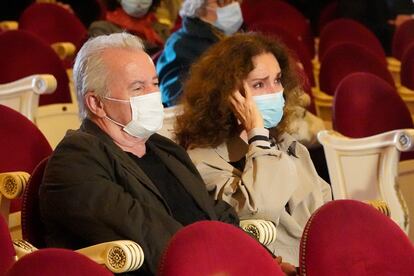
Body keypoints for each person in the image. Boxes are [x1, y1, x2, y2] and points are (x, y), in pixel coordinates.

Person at [39, 32, 240, 275]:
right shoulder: (76, 159)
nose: (152, 95)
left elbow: (212, 212)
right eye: (138, 87)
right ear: (96, 103)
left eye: (154, 84)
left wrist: (256, 259)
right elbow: (145, 233)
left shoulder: (165, 149)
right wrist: (220, 263)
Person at [174, 32, 332, 266]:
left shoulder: (286, 143)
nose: (274, 92)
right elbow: (261, 209)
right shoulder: (203, 160)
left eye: (277, 80)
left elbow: (324, 205)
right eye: (259, 84)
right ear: (230, 94)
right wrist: (256, 133)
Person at [156, 0, 244, 107]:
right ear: (200, 7)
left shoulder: (236, 39)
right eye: (222, 2)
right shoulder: (180, 45)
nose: (233, 7)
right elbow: (174, 99)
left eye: (234, 1)